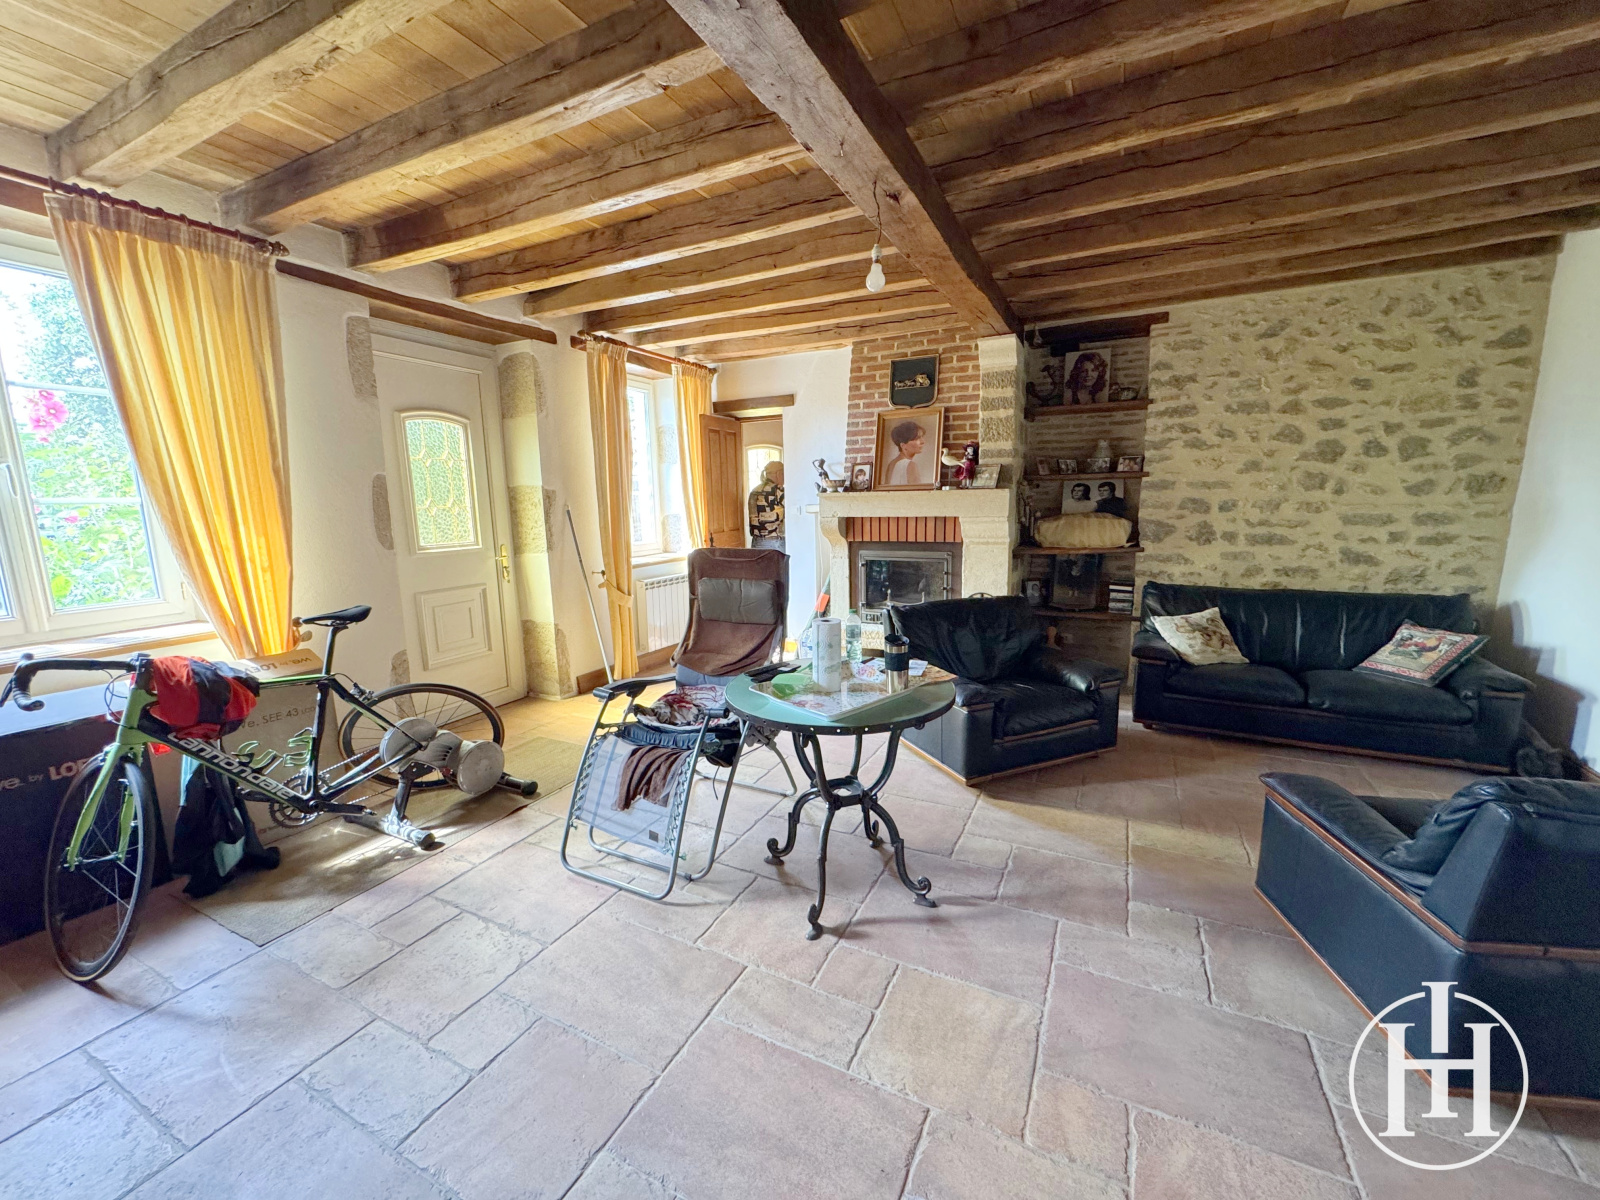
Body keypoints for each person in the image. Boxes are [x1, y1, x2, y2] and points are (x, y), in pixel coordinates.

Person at [748, 460, 785, 551]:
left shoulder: (754, 491)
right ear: (778, 474)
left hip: (756, 541)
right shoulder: (778, 491)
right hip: (775, 542)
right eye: (783, 473)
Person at [884, 420, 926, 487]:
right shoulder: (911, 465)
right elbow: (917, 492)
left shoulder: (891, 464)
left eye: (922, 437)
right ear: (903, 445)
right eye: (916, 439)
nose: (922, 442)